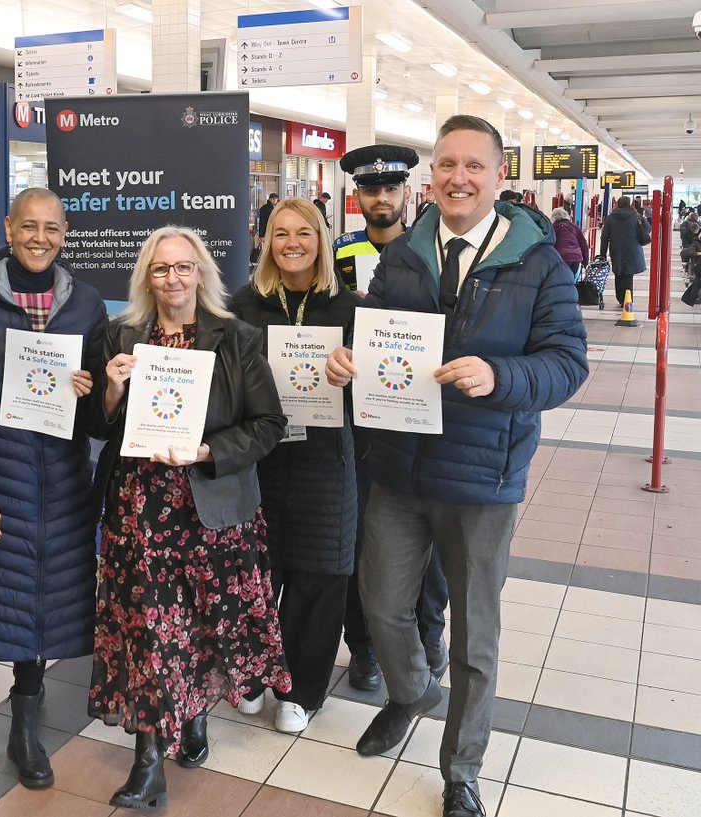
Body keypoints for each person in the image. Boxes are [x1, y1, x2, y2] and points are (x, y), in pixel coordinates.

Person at [326, 114, 587, 817]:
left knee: (475, 636)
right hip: (400, 468)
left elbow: (568, 364)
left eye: (474, 165)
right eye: (447, 164)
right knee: (381, 604)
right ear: (432, 175)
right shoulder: (406, 255)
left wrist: (500, 377)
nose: (458, 177)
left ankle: (461, 766)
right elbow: (374, 331)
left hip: (483, 478)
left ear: (500, 176)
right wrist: (350, 360)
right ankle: (413, 692)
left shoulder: (539, 262)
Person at [89, 226, 290, 809]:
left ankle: (194, 712)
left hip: (211, 507)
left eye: (183, 267)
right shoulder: (121, 335)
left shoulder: (237, 338)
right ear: (146, 278)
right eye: (160, 269)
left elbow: (267, 425)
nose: (173, 279)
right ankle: (147, 760)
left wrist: (206, 451)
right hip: (142, 508)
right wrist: (109, 389)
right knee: (149, 630)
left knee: (202, 623)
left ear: (201, 273)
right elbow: (100, 428)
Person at [0, 188, 107, 789]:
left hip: (64, 480)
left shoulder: (84, 303)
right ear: (8, 228)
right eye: (29, 226)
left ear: (65, 234)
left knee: (55, 600)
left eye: (52, 229)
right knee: (10, 604)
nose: (40, 238)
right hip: (1, 480)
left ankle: (32, 712)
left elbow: (98, 418)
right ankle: (24, 723)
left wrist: (95, 391)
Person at [229, 198, 358, 733]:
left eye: (303, 232)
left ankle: (301, 690)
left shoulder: (349, 309)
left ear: (321, 239)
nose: (291, 243)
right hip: (260, 461)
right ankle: (255, 674)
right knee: (257, 574)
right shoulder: (244, 304)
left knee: (318, 578)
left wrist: (353, 373)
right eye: (279, 233)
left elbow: (378, 391)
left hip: (325, 464)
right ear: (265, 241)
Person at [332, 144, 450, 693]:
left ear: (407, 193)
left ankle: (429, 633)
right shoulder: (333, 255)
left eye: (390, 189)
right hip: (355, 415)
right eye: (369, 190)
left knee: (427, 539)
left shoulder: (432, 254)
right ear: (356, 197)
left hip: (417, 409)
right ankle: (364, 647)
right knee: (363, 536)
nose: (381, 198)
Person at [598, 195, 650, 310]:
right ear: (629, 203)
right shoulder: (636, 215)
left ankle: (621, 298)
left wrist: (602, 254)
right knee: (628, 275)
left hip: (617, 249)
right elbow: (648, 228)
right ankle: (627, 299)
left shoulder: (611, 217)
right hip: (633, 249)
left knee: (618, 272)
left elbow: (604, 237)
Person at [550, 207, 590, 279]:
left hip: (562, 257)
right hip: (576, 257)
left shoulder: (554, 227)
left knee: (562, 280)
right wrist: (585, 261)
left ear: (554, 218)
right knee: (571, 280)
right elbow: (584, 244)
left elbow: (550, 243)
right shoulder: (574, 227)